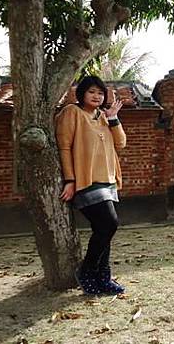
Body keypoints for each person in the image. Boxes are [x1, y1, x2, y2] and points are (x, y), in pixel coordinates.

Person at [55, 76, 126, 295]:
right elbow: (64, 147)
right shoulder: (72, 112)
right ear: (82, 93)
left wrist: (113, 118)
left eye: (100, 93)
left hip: (108, 180)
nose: (97, 96)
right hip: (86, 180)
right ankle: (87, 271)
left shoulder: (104, 116)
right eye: (92, 92)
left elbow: (121, 143)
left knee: (103, 230)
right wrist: (70, 180)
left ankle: (103, 278)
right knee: (109, 224)